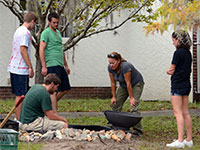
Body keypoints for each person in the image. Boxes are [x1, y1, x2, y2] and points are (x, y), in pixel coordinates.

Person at [7, 12, 38, 120]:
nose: (34, 27)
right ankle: (18, 119)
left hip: (14, 67)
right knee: (21, 95)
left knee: (19, 94)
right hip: (20, 69)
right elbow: (23, 49)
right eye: (35, 24)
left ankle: (19, 118)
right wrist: (30, 66)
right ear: (32, 21)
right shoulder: (25, 33)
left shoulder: (18, 30)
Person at [166, 30, 193, 148]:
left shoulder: (177, 53)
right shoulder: (188, 53)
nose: (173, 43)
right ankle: (189, 139)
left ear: (178, 40)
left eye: (173, 40)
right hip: (187, 84)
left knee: (178, 113)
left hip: (177, 85)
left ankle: (180, 141)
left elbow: (172, 69)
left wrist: (168, 71)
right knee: (185, 112)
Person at [39, 12, 71, 114]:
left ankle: (47, 106)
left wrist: (66, 65)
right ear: (49, 22)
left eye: (57, 22)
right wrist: (44, 66)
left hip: (60, 64)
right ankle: (54, 113)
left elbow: (61, 50)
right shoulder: (46, 33)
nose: (56, 24)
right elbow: (41, 49)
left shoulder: (58, 33)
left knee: (65, 88)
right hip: (51, 64)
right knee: (54, 90)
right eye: (54, 22)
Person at [107, 52, 144, 134]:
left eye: (113, 63)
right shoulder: (110, 68)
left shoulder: (125, 66)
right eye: (110, 63)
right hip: (123, 85)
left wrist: (131, 98)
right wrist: (113, 97)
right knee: (115, 104)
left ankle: (138, 130)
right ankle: (113, 125)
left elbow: (129, 83)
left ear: (119, 61)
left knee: (133, 106)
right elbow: (113, 83)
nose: (111, 65)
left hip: (136, 84)